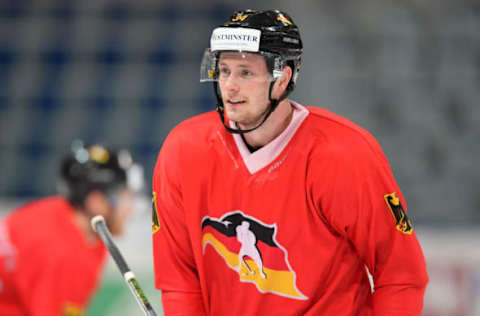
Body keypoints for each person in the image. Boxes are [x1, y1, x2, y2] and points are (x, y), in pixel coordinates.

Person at [152, 9, 428, 316]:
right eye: (225, 70)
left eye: (245, 73)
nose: (229, 86)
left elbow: (401, 276)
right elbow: (180, 282)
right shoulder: (183, 152)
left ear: (282, 79)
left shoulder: (345, 155)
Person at [0, 141, 142, 316]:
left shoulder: (57, 215)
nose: (131, 209)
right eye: (125, 197)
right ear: (96, 202)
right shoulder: (65, 255)